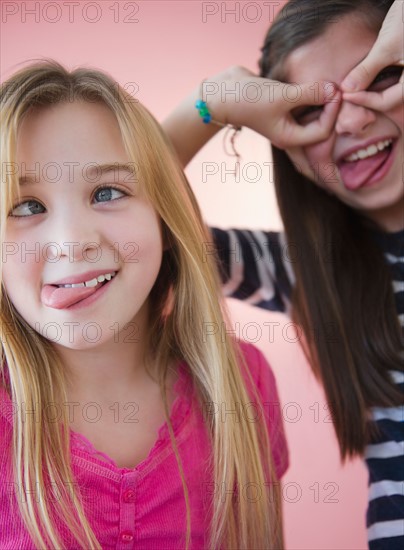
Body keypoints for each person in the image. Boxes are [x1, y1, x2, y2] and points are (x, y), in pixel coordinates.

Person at [0, 61, 288, 549]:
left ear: (167, 222)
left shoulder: (243, 384)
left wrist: (208, 103)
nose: (72, 243)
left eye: (107, 191)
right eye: (27, 206)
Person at [163, 1, 403, 549]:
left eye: (381, 77)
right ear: (283, 146)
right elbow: (118, 228)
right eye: (311, 111)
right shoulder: (302, 270)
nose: (353, 118)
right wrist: (212, 102)